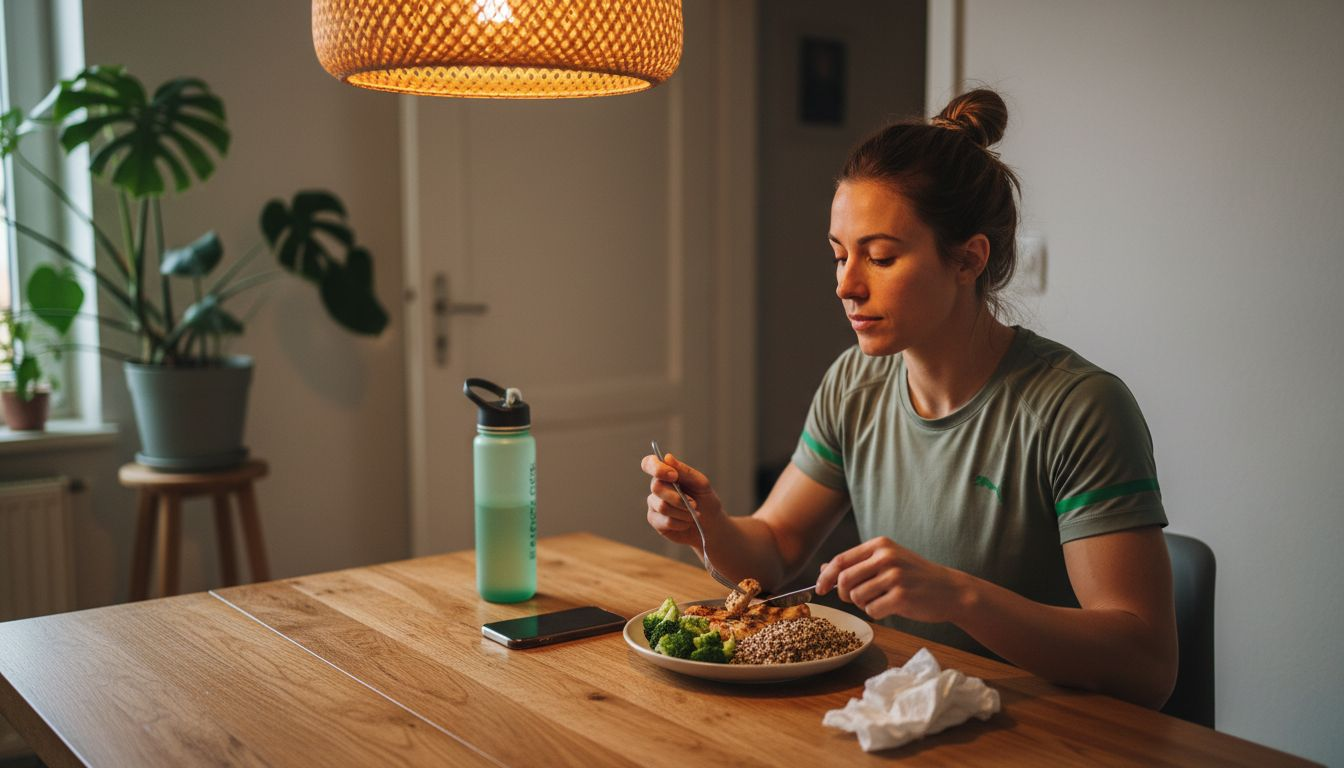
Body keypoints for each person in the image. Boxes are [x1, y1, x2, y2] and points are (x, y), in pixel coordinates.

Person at [640, 89, 1178, 709]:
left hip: (1047, 733)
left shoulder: (1080, 409)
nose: (846, 284)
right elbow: (774, 548)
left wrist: (957, 595)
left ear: (969, 260)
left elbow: (1147, 664)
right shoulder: (854, 384)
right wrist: (706, 524)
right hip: (900, 719)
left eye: (881, 257)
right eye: (839, 256)